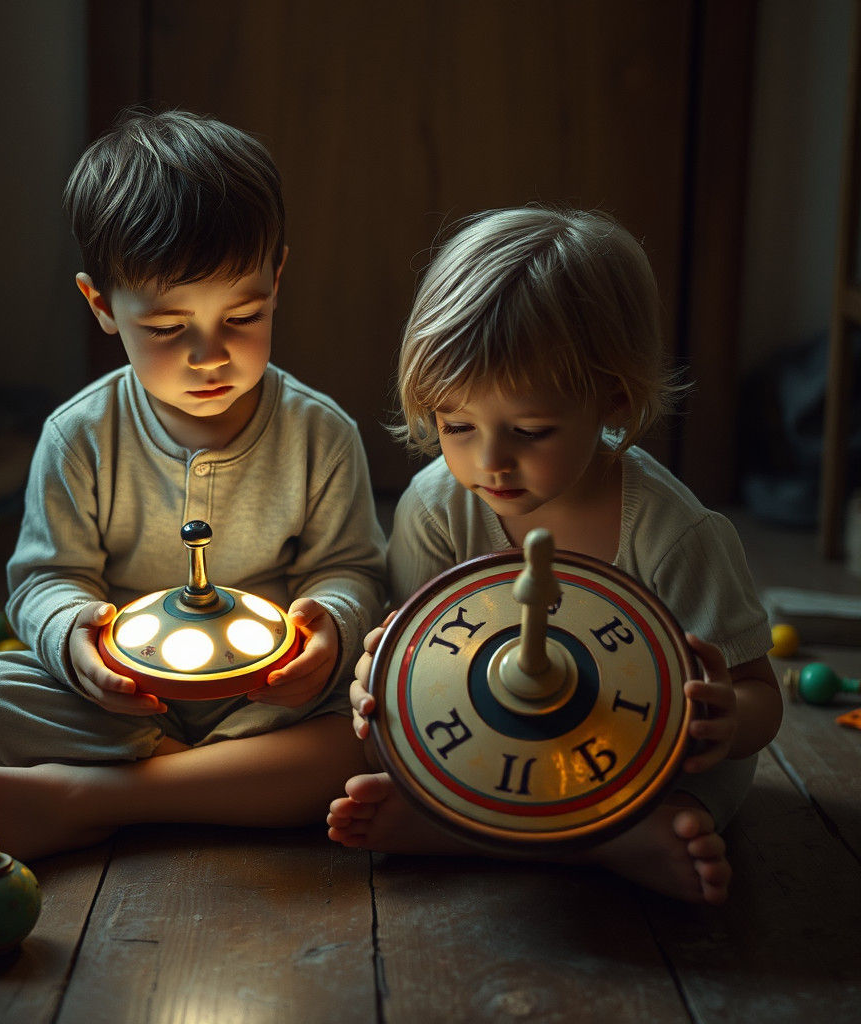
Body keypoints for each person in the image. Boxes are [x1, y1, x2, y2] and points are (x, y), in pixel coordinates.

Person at [0, 109, 386, 862]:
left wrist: (328, 633)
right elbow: (47, 577)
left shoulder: (319, 433)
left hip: (262, 702)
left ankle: (101, 799)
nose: (210, 356)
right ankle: (222, 788)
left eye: (242, 316)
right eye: (170, 328)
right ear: (102, 306)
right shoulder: (79, 436)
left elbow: (352, 569)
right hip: (120, 704)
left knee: (381, 719)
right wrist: (75, 641)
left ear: (277, 278)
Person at [326, 207, 782, 905]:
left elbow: (761, 697)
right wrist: (373, 681)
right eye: (456, 425)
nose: (489, 462)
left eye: (531, 430)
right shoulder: (434, 507)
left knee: (700, 785)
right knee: (384, 746)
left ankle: (493, 831)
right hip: (492, 743)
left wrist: (729, 718)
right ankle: (601, 844)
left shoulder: (675, 533)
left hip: (638, 766)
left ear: (612, 399)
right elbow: (416, 668)